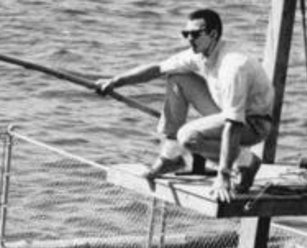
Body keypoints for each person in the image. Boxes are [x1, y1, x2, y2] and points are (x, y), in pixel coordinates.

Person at [95, 8, 274, 203]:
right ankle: (171, 156)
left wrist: (223, 175)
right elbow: (157, 69)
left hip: (253, 124)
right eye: (185, 33)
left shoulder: (233, 65)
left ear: (213, 34)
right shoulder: (200, 53)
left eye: (195, 34)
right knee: (177, 77)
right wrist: (114, 81)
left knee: (188, 137)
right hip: (228, 111)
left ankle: (246, 160)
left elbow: (234, 124)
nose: (189, 39)